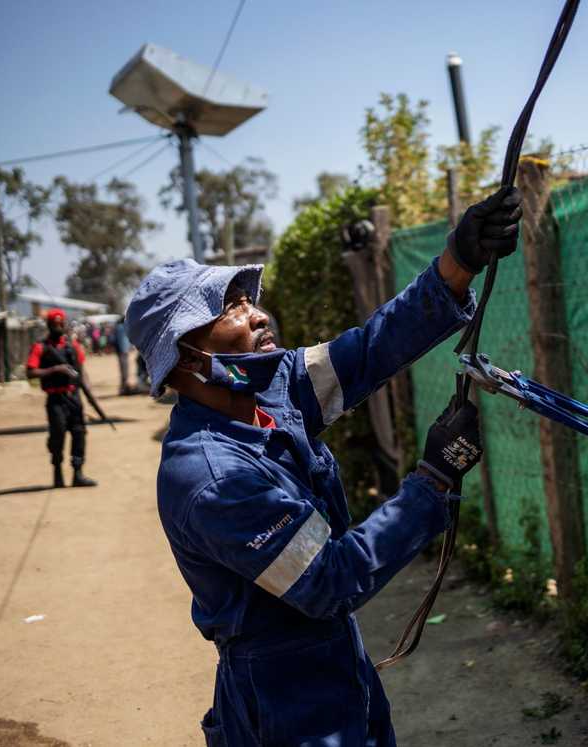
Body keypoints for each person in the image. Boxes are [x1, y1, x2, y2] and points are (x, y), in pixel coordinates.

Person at [125, 187, 522, 746]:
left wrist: (457, 262)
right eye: (231, 309)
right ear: (187, 356)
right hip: (285, 692)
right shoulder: (211, 477)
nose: (259, 314)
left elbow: (371, 349)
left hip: (338, 660)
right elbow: (329, 578)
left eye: (249, 299)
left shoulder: (266, 388)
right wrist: (432, 481)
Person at [25, 308, 97, 488]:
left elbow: (81, 371)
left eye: (61, 323)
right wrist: (54, 370)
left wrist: (89, 393)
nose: (59, 326)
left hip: (73, 397)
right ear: (49, 325)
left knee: (79, 433)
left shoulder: (72, 346)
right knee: (57, 436)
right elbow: (30, 371)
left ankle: (78, 473)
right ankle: (57, 473)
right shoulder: (40, 347)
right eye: (55, 324)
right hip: (55, 399)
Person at [112, 315, 132, 395]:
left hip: (121, 352)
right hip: (123, 352)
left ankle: (124, 387)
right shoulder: (121, 327)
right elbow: (122, 341)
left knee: (124, 370)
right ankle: (124, 388)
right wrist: (125, 350)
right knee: (124, 370)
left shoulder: (119, 327)